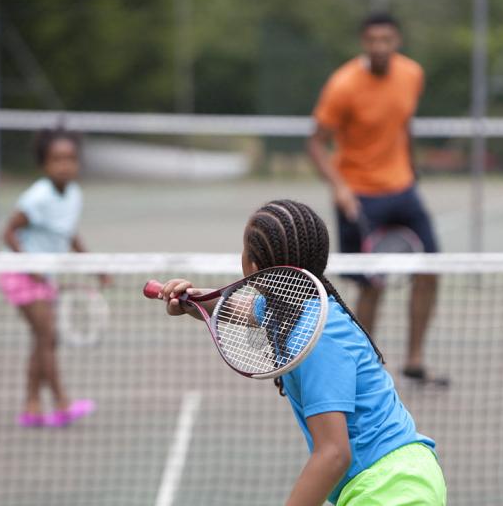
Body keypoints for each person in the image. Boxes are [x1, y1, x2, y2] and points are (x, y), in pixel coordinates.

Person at [157, 200, 446, 506]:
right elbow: (241, 309)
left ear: (253, 267)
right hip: (387, 480)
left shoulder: (317, 338)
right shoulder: (293, 308)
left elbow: (333, 454)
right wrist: (197, 301)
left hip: (391, 488)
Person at [306, 13, 445, 385]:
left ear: (397, 40)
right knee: (371, 284)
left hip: (402, 189)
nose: (380, 46)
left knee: (431, 270)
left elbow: (403, 124)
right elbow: (316, 143)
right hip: (359, 194)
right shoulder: (343, 85)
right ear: (363, 43)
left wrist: (411, 167)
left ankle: (414, 359)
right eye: (373, 40)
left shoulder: (412, 74)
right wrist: (339, 188)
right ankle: (361, 364)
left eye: (387, 39)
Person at [0, 126, 104, 428]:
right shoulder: (38, 197)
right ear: (44, 163)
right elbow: (8, 232)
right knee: (48, 337)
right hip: (18, 273)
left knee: (42, 340)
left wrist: (97, 265)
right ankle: (61, 404)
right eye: (56, 159)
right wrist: (29, 265)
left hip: (42, 276)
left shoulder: (74, 195)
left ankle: (31, 407)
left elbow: (68, 234)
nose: (64, 164)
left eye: (70, 158)